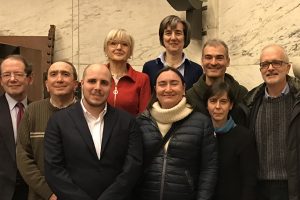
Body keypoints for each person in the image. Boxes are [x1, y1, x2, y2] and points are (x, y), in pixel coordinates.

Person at [44, 64, 143, 200]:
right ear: (81, 84)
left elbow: (132, 168)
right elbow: (54, 169)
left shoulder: (128, 122)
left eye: (104, 83)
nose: (97, 87)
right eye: (92, 81)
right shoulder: (58, 121)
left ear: (111, 87)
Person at [135, 67, 217, 200]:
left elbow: (209, 169)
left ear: (184, 88)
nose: (168, 89)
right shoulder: (141, 122)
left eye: (174, 83)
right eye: (162, 84)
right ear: (155, 89)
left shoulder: (201, 122)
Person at [244, 44, 300, 200]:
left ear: (288, 67)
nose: (270, 68)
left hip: (292, 187)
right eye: (264, 64)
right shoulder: (250, 102)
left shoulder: (298, 101)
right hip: (259, 189)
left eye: (276, 63)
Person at [16, 61, 78, 200]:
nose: (59, 79)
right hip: (40, 196)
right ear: (47, 85)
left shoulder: (88, 113)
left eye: (65, 74)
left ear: (75, 84)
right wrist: (49, 193)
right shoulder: (32, 111)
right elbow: (23, 157)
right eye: (53, 74)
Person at [204, 81, 258, 200]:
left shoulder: (244, 137)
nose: (218, 106)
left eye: (223, 101)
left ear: (231, 105)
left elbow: (249, 181)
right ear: (207, 105)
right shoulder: (201, 135)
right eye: (213, 101)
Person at [187, 38, 248, 125]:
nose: (213, 63)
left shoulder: (242, 94)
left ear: (228, 61)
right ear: (202, 61)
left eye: (219, 58)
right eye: (208, 57)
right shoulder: (190, 97)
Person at [0, 55, 33, 200]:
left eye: (18, 74)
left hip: (33, 192)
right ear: (1, 81)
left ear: (30, 79)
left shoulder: (38, 110)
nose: (12, 79)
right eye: (6, 75)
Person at [142, 15, 203, 91]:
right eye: (168, 33)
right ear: (162, 37)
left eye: (178, 33)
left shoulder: (196, 70)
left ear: (185, 37)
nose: (173, 38)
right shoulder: (149, 68)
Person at [103, 28, 151, 115]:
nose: (119, 48)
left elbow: (144, 117)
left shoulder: (142, 79)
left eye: (124, 44)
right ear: (106, 49)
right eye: (113, 43)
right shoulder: (97, 75)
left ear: (130, 51)